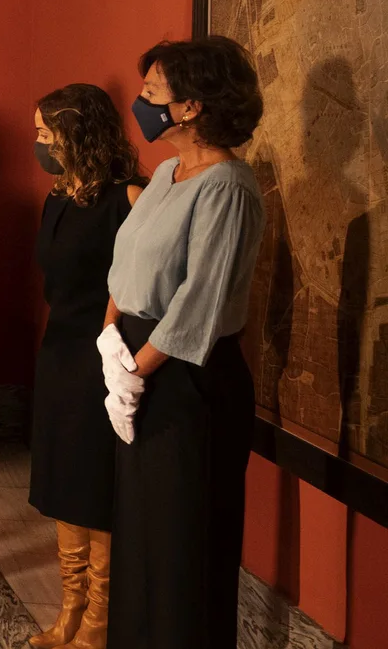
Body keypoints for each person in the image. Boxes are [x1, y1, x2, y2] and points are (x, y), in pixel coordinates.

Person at [104, 37, 264, 649]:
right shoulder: (169, 171)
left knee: (182, 546)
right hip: (136, 360)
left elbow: (200, 303)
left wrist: (134, 373)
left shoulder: (227, 185)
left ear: (192, 106)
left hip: (188, 380)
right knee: (142, 536)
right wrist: (110, 344)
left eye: (151, 93)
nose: (141, 103)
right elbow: (127, 264)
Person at [28, 84, 144, 649]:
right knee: (62, 483)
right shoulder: (56, 195)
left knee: (94, 486)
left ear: (79, 133)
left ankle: (99, 622)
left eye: (46, 134)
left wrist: (110, 341)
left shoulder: (129, 196)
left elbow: (143, 283)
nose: (39, 144)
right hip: (58, 351)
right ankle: (69, 611)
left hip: (103, 355)